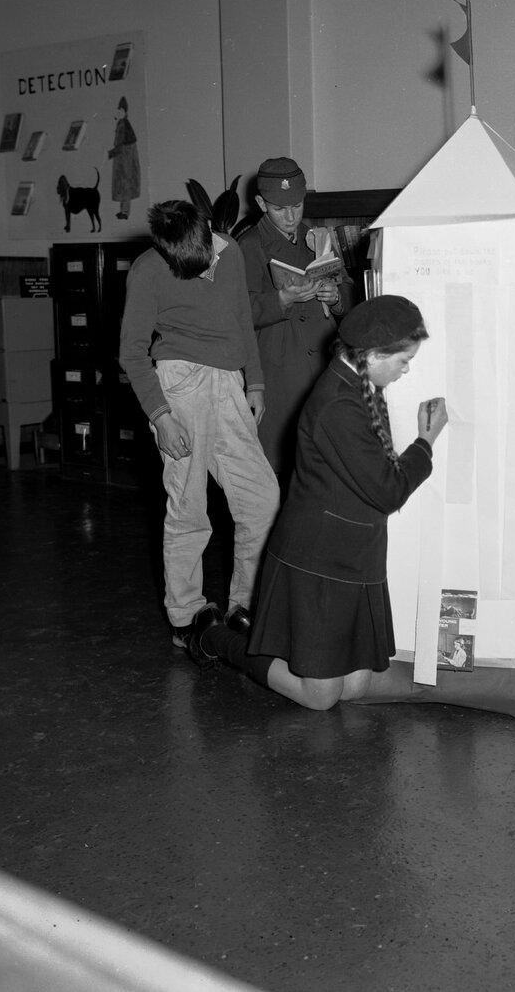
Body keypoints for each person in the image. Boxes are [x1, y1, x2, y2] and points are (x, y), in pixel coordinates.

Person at [190, 296, 449, 710]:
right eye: (403, 360)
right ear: (373, 356)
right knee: (321, 697)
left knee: (355, 687)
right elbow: (388, 490)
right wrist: (426, 442)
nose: (407, 369)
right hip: (318, 560)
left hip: (354, 555)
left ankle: (251, 635)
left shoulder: (361, 383)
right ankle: (213, 636)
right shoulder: (337, 404)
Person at [118, 200, 280, 650]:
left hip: (229, 383)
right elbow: (131, 352)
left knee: (262, 498)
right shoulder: (147, 270)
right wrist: (160, 416)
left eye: (207, 253)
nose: (207, 264)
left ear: (209, 229)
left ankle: (243, 604)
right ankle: (185, 614)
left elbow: (242, 319)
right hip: (179, 386)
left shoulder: (231, 253)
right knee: (189, 508)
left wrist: (256, 381)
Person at [235, 156, 356, 488]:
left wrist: (336, 296)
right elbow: (238, 315)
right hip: (280, 374)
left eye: (298, 206)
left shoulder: (319, 239)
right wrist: (281, 301)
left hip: (322, 365)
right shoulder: (248, 247)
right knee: (282, 472)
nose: (291, 217)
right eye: (279, 209)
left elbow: (347, 287)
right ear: (261, 204)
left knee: (328, 466)